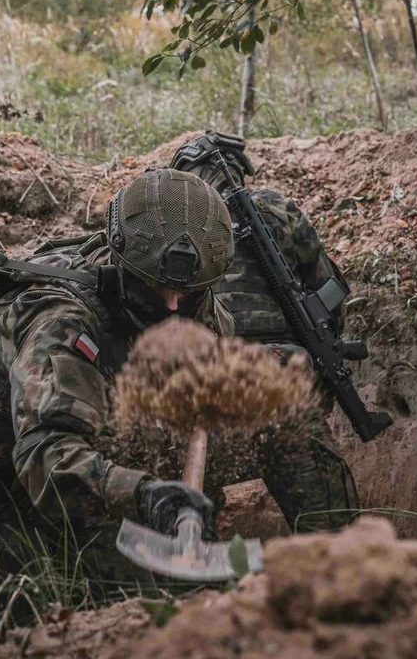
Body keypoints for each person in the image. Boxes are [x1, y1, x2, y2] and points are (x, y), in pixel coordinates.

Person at [0, 168, 236, 609]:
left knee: (171, 595)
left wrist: (188, 513)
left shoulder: (201, 311)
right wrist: (146, 497)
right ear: (121, 262)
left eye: (187, 294)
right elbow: (47, 458)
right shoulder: (63, 321)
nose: (171, 305)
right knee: (51, 610)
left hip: (90, 449)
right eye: (155, 288)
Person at [170, 130, 362, 533]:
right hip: (284, 396)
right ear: (240, 171)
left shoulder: (171, 231)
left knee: (183, 511)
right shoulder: (278, 210)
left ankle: (193, 556)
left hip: (206, 411)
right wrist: (320, 381)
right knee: (334, 535)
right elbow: (328, 298)